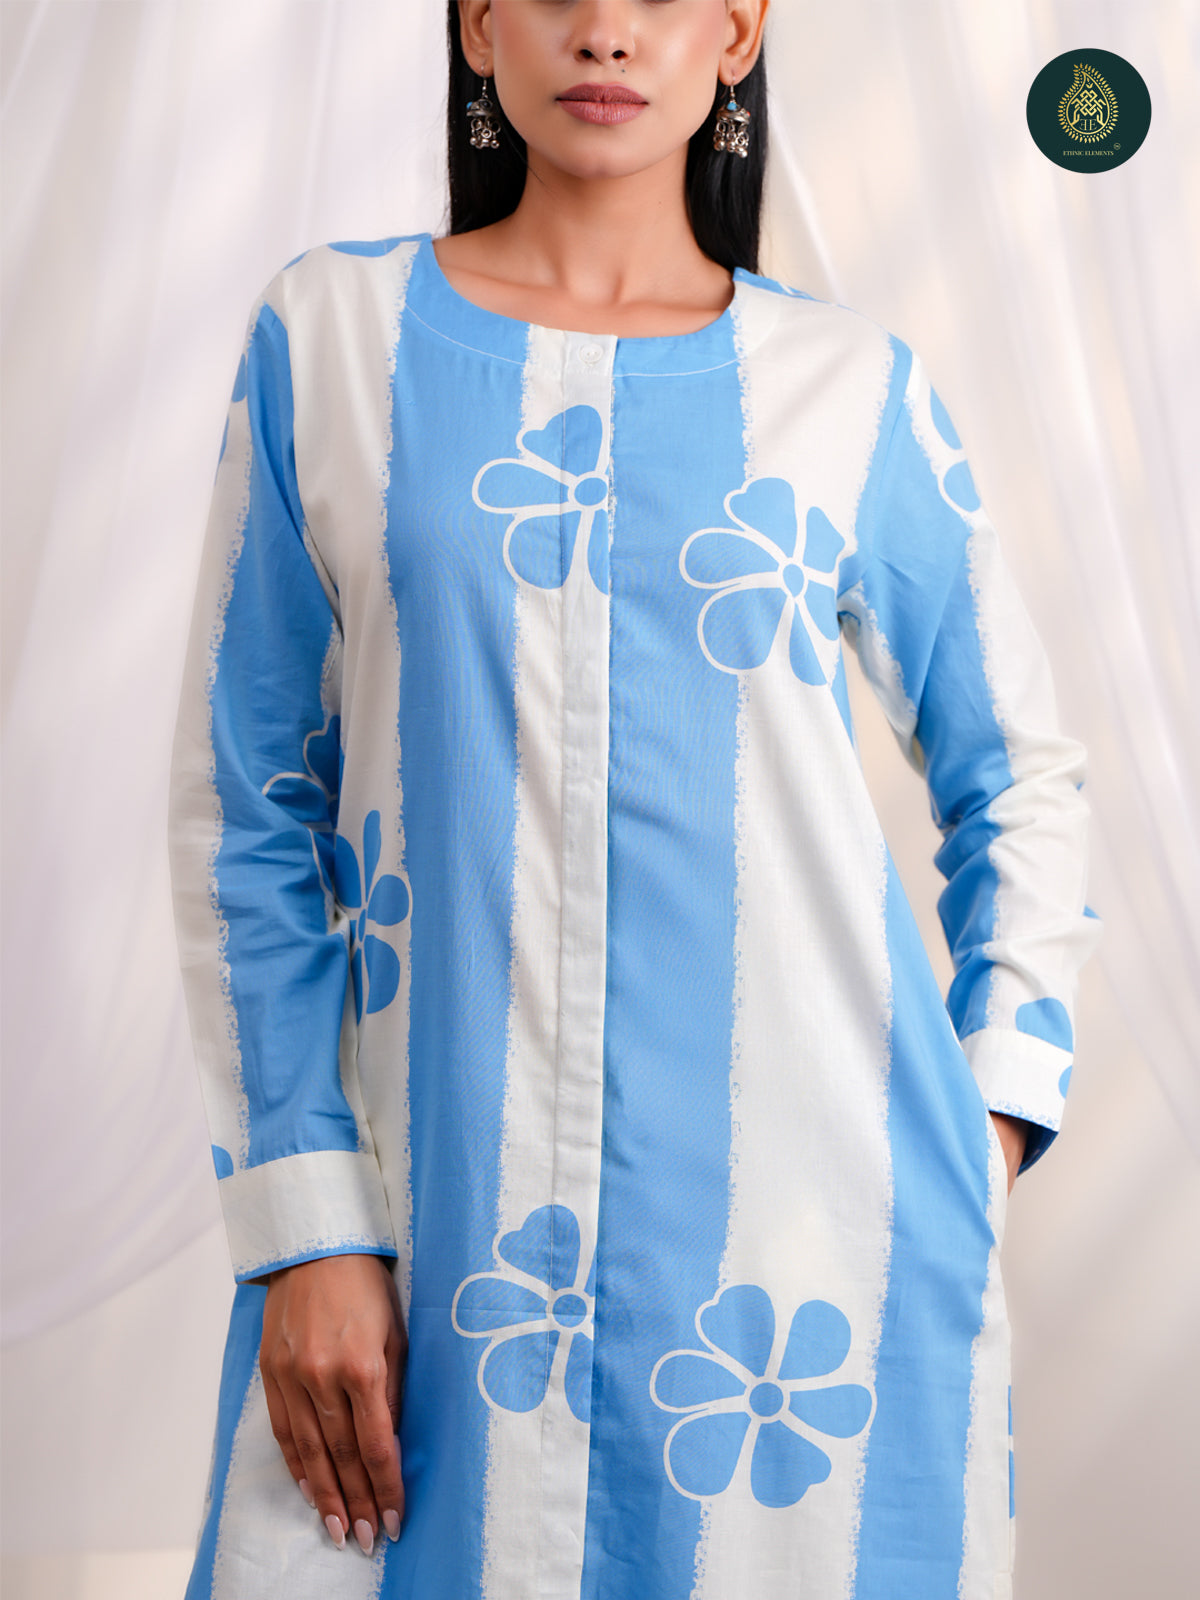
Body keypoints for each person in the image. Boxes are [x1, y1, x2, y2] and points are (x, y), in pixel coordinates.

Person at [169, 2, 1098, 1596]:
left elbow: (1021, 777)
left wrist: (983, 1127)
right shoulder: (331, 339)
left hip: (792, 1295)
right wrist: (308, 1221)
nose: (605, 31)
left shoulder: (849, 390)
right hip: (434, 1242)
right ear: (479, 24)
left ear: (737, 33)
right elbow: (246, 805)